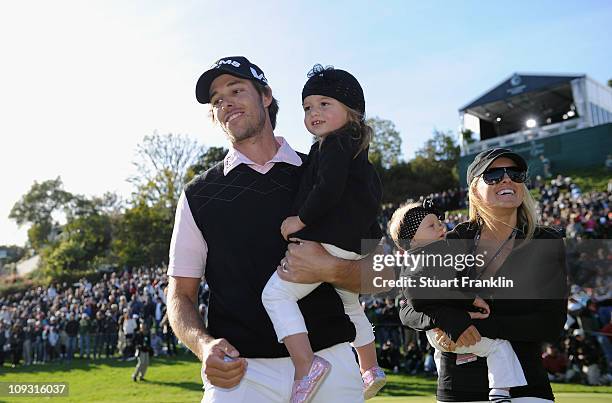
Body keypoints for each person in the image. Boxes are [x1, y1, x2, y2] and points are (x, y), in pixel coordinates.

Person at [166, 56, 384, 403]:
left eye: (236, 90)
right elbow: (180, 296)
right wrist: (203, 345)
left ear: (266, 96)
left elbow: (382, 272)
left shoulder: (327, 170)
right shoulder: (197, 194)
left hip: (331, 359)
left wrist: (331, 268)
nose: (226, 103)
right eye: (217, 100)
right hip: (240, 373)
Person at [399, 148, 568, 403]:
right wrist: (446, 317)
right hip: (458, 388)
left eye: (514, 173)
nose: (506, 179)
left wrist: (472, 324)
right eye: (493, 174)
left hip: (526, 385)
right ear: (475, 190)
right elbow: (406, 306)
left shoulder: (546, 241)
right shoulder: (452, 240)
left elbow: (551, 323)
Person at [261, 64, 385, 401]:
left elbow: (327, 190)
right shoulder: (359, 152)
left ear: (352, 111)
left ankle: (306, 365)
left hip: (331, 242)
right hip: (355, 246)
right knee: (351, 305)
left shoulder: (333, 144)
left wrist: (299, 220)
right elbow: (368, 206)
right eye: (307, 107)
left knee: (275, 296)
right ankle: (370, 367)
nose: (314, 112)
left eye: (324, 104)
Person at [389, 199, 527, 402]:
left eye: (438, 222)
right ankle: (500, 392)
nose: (440, 227)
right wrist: (469, 302)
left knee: (443, 355)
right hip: (442, 329)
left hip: (439, 334)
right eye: (431, 226)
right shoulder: (430, 255)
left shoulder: (421, 257)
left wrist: (466, 308)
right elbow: (418, 297)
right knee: (499, 347)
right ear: (413, 240)